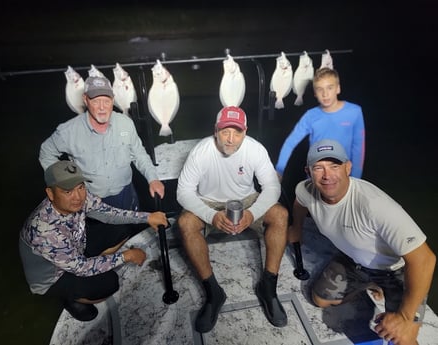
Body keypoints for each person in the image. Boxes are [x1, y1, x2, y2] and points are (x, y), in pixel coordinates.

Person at [289, 139, 436, 345]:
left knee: (402, 338)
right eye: (318, 167)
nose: (327, 175)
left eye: (334, 166)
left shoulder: (374, 205)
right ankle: (371, 284)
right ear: (308, 171)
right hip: (355, 261)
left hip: (395, 271)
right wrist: (296, 228)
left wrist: (405, 317)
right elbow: (299, 202)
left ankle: (386, 291)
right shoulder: (305, 189)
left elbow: (425, 260)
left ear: (348, 168)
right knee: (320, 299)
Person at [176, 106, 289, 333]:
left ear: (245, 132)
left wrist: (252, 213)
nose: (230, 138)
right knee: (185, 223)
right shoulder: (201, 151)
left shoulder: (255, 149)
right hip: (209, 201)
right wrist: (210, 215)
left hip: (245, 200)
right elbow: (183, 192)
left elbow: (272, 186)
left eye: (237, 132)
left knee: (280, 214)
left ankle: (268, 288)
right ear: (215, 130)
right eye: (225, 131)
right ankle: (213, 293)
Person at [19, 160, 168, 321]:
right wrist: (127, 256)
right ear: (50, 193)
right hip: (55, 276)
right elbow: (80, 267)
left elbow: (109, 213)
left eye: (81, 187)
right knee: (109, 283)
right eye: (67, 191)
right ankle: (71, 298)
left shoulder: (79, 196)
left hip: (76, 246)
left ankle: (97, 266)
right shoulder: (44, 231)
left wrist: (147, 217)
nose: (78, 197)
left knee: (123, 228)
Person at [39, 75, 165, 251]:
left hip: (126, 193)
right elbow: (46, 153)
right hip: (95, 201)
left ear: (113, 100)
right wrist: (69, 184)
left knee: (131, 233)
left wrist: (153, 178)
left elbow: (139, 154)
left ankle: (131, 258)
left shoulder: (125, 123)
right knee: (103, 242)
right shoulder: (68, 132)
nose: (102, 107)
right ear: (85, 100)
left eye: (106, 101)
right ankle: (105, 269)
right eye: (96, 100)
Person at [275, 67, 365, 180]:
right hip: (316, 177)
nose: (325, 94)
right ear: (315, 93)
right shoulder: (310, 116)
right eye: (320, 89)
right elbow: (290, 142)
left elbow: (358, 148)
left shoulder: (354, 112)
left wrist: (356, 178)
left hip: (342, 175)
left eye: (330, 88)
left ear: (338, 89)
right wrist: (279, 170)